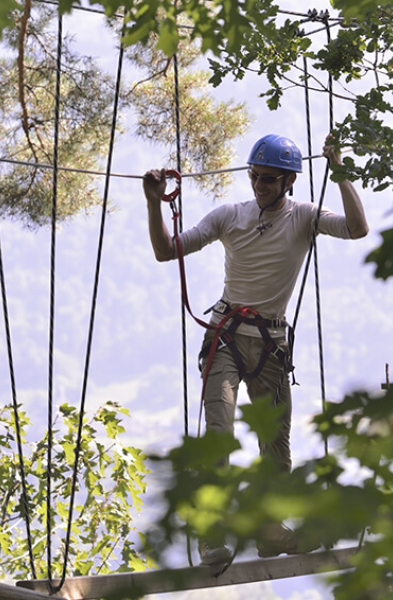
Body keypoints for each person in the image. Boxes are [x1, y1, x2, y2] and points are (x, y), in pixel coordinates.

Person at [143, 133, 368, 567]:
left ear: (289, 181)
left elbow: (357, 228)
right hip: (226, 337)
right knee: (218, 435)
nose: (258, 184)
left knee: (276, 448)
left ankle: (269, 530)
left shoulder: (304, 217)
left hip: (270, 344)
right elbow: (166, 251)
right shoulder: (230, 216)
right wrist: (155, 204)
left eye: (267, 178)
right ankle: (211, 535)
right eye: (253, 175)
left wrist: (338, 169)